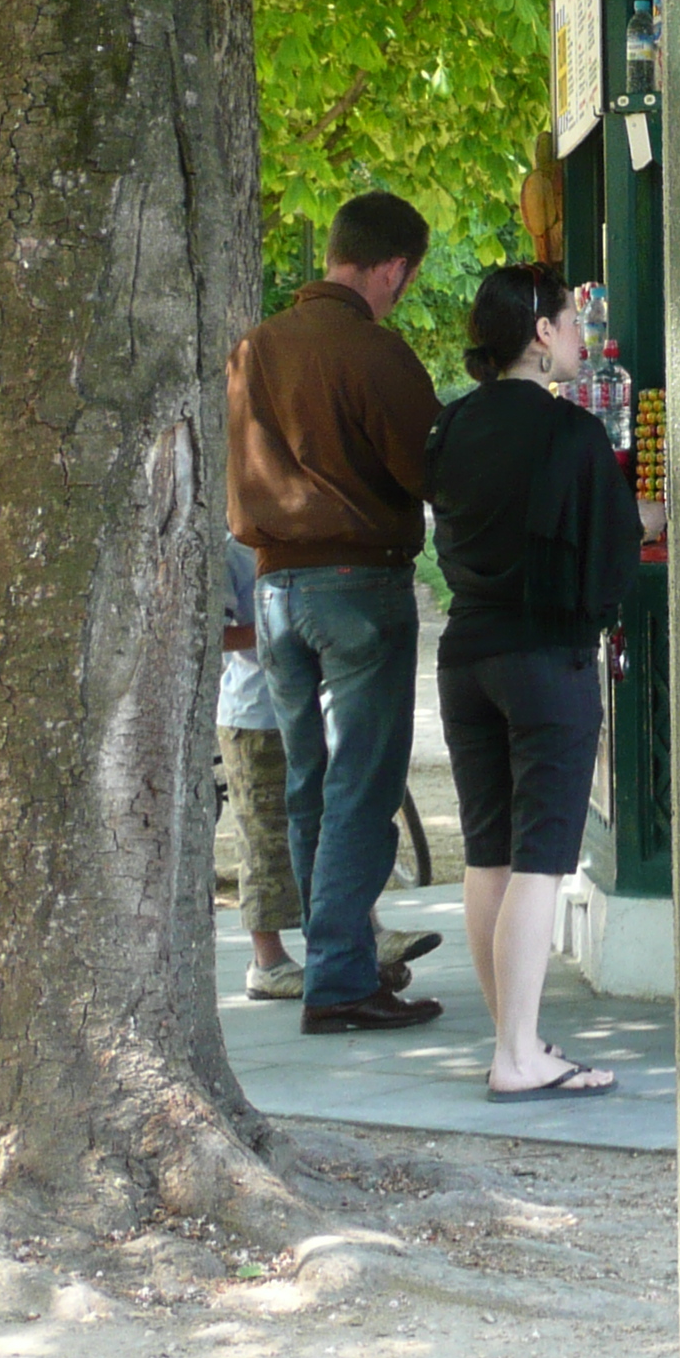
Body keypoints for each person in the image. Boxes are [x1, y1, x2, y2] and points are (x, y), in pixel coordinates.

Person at [229, 190, 446, 1033]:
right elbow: (429, 470)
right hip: (358, 585)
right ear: (391, 267)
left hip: (274, 589)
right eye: (406, 277)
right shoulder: (373, 352)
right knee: (362, 783)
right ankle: (342, 979)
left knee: (310, 783)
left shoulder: (255, 349)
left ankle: (337, 963)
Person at [425, 265, 638, 1102]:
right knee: (541, 862)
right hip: (547, 660)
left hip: (466, 654)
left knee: (490, 856)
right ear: (541, 332)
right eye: (571, 319)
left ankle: (514, 1037)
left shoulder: (450, 428)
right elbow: (614, 548)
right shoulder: (571, 434)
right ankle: (518, 1055)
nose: (581, 335)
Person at [219, 537, 304, 1000]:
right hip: (255, 715)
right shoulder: (233, 551)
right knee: (265, 837)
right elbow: (210, 632)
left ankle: (357, 941)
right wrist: (277, 626)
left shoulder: (312, 534)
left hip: (314, 707)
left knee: (333, 826)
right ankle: (267, 961)